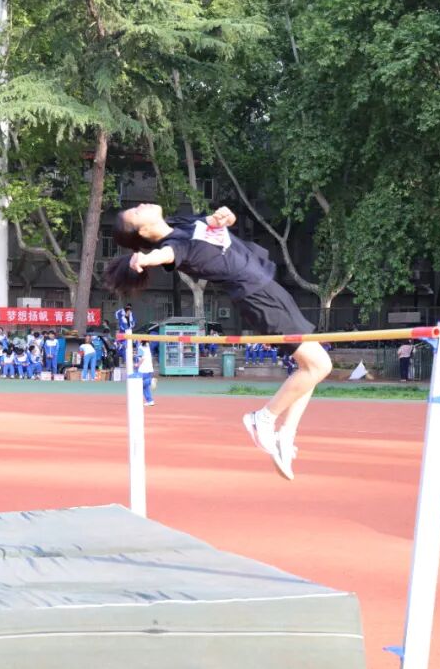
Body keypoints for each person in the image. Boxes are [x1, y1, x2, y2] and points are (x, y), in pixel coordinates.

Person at [105, 204, 330, 480]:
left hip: (267, 287)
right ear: (144, 231)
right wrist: (147, 258)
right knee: (320, 366)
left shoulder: (181, 223)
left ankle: (286, 434)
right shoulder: (175, 245)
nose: (142, 205)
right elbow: (168, 254)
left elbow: (213, 224)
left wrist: (224, 218)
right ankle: (263, 419)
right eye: (137, 212)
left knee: (309, 367)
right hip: (257, 296)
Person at [135, 339, 155, 407]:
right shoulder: (147, 346)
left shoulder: (140, 348)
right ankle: (150, 401)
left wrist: (137, 364)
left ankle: (150, 381)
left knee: (140, 384)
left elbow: (142, 358)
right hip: (149, 368)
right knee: (145, 387)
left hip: (143, 369)